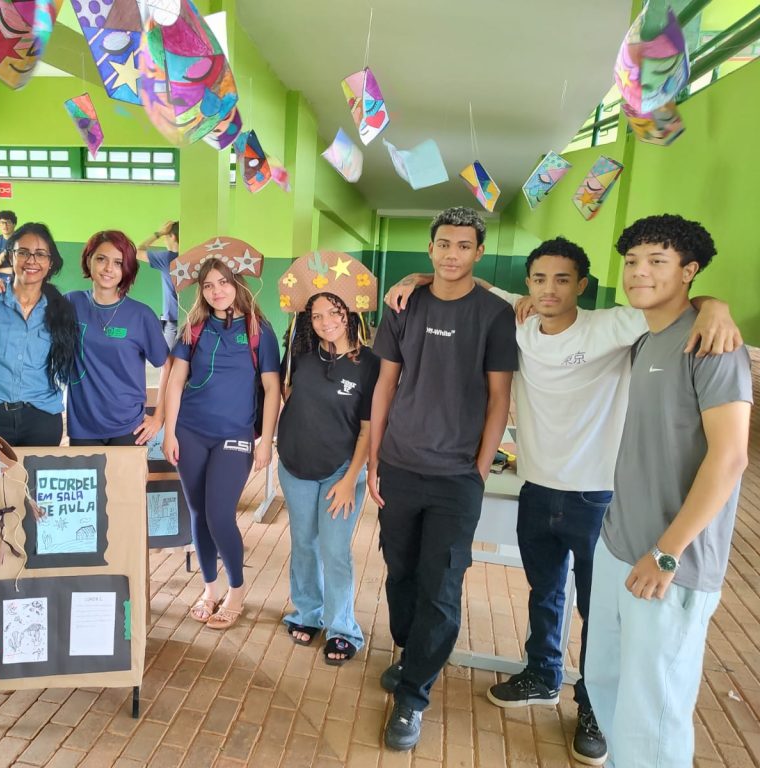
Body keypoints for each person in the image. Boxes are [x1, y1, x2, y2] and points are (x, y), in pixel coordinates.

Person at [385, 237, 743, 765]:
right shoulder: (520, 318)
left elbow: (674, 306)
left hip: (596, 496)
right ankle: (542, 674)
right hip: (537, 486)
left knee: (598, 610)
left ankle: (592, 708)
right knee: (545, 592)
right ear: (528, 285)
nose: (548, 289)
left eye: (562, 279)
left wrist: (716, 305)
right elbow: (466, 280)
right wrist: (414, 278)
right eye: (538, 279)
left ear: (582, 285)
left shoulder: (615, 325)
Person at [584, 215, 751, 766]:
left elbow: (730, 458)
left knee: (652, 714)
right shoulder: (649, 339)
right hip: (619, 546)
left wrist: (666, 552)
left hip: (670, 561)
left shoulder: (714, 346)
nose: (639, 272)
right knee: (605, 681)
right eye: (632, 261)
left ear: (688, 271)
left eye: (658, 261)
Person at [368, 207, 518, 751]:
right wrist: (373, 459)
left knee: (442, 584)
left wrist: (479, 469)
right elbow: (385, 385)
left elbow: (499, 397)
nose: (453, 254)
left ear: (479, 252)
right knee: (400, 573)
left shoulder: (494, 314)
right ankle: (415, 654)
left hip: (456, 477)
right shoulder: (404, 304)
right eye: (444, 244)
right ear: (430, 249)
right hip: (400, 466)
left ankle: (414, 696)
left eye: (464, 246)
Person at [163, 257, 281, 631]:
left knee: (219, 514)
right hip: (190, 432)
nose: (217, 291)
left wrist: (266, 441)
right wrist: (169, 432)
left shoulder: (259, 330)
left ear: (237, 284)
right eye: (209, 285)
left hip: (235, 435)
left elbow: (272, 388)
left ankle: (236, 590)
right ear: (201, 291)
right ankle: (210, 588)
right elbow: (176, 382)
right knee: (198, 512)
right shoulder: (194, 328)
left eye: (224, 282)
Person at [278, 289, 379, 664]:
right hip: (294, 466)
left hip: (341, 472)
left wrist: (351, 478)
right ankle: (308, 613)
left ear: (350, 313)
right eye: (317, 315)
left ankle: (342, 629)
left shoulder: (369, 364)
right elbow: (289, 396)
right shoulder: (301, 355)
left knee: (335, 550)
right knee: (304, 544)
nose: (326, 322)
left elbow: (368, 429)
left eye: (334, 312)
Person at [0, 223, 75, 447]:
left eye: (40, 254)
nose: (31, 260)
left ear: (50, 262)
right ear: (11, 256)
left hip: (41, 419)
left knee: (37, 472)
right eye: (23, 252)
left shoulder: (60, 309)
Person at [64, 230, 170, 446]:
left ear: (126, 269)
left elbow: (168, 364)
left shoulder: (141, 315)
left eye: (118, 263)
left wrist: (159, 417)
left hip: (129, 426)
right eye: (101, 259)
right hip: (83, 426)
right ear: (89, 260)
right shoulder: (70, 304)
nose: (108, 268)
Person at [137, 220, 180, 347]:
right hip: (193, 320)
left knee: (167, 358)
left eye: (166, 237)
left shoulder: (166, 258)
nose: (164, 240)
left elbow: (137, 251)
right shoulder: (191, 258)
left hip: (172, 321)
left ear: (172, 236)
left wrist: (159, 233)